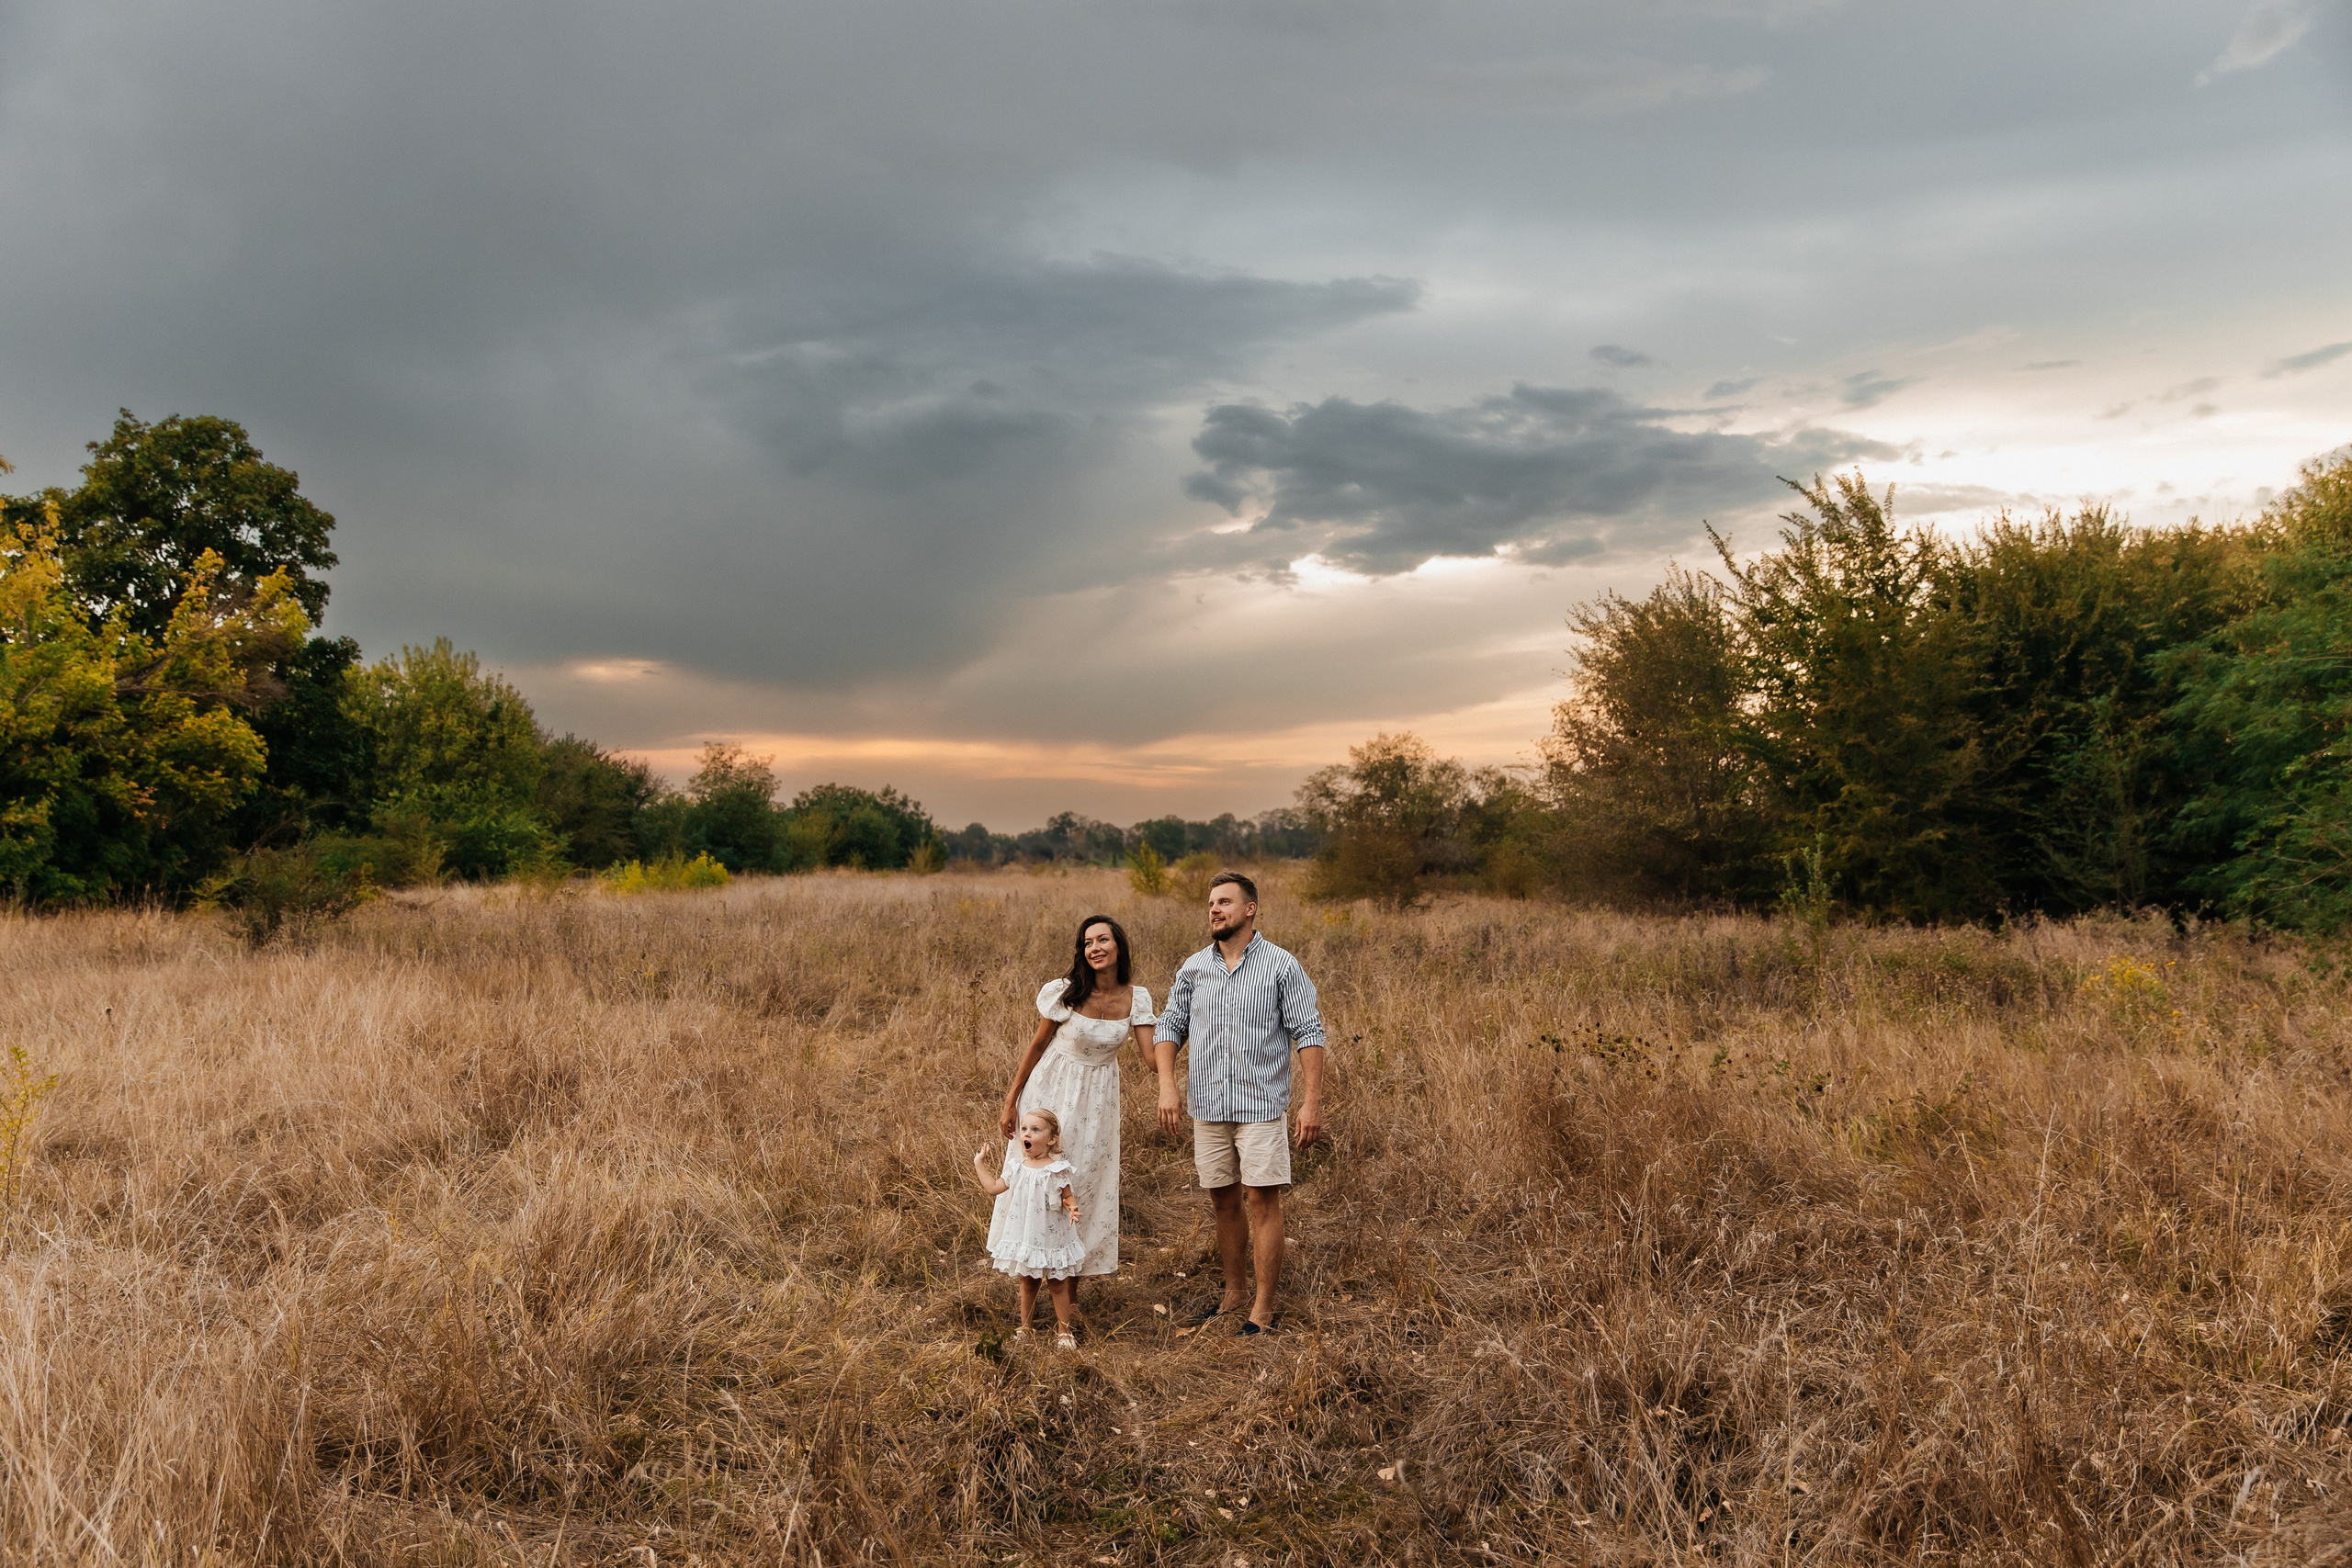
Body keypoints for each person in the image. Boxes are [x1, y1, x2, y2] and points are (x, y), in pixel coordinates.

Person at [1153, 870, 1325, 1335]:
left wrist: (1311, 1103)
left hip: (1262, 1107)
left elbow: (1309, 1033)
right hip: (1207, 1107)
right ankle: (1234, 1294)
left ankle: (1263, 1308)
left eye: (1224, 902)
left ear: (1249, 909)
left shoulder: (1281, 965)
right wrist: (1168, 1085)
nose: (1214, 909)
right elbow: (1169, 1027)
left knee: (1262, 1202)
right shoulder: (1193, 968)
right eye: (1211, 903)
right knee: (1223, 1202)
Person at [995, 914, 1178, 1316]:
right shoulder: (1066, 992)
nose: (1094, 948)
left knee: (1083, 1190)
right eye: (1087, 943)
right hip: (1049, 1093)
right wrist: (1012, 1099)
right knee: (1035, 1187)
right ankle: (1027, 1296)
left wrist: (1182, 1028)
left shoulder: (1137, 998)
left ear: (1118, 946)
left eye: (1102, 940)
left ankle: (1068, 1299)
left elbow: (1151, 1059)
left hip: (1098, 1104)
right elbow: (1038, 1046)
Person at [972, 1108, 1086, 1348]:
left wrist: (1072, 1208)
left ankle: (1064, 1331)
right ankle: (1025, 1327)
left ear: (1051, 1139)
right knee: (1028, 1280)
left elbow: (1068, 1196)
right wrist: (978, 1163)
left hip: (1052, 1236)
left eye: (1036, 1130)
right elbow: (993, 1187)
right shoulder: (1016, 1167)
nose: (1028, 1134)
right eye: (1025, 1129)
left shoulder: (1057, 1170)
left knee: (1057, 1282)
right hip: (1027, 1235)